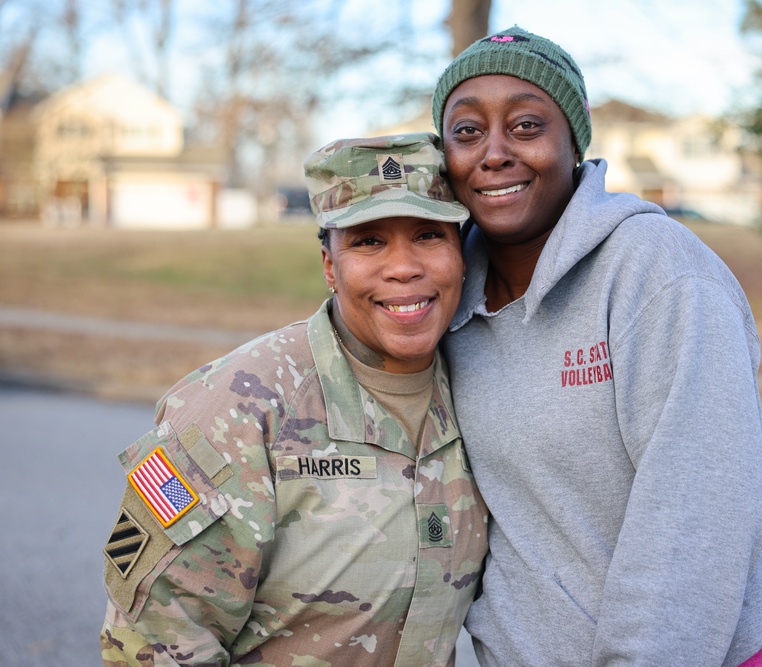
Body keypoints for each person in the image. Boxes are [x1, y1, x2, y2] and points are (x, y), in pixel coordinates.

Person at [432, 26, 762, 667]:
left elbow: (697, 525)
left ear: (574, 142)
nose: (493, 153)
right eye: (466, 131)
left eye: (526, 126)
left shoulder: (660, 275)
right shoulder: (446, 300)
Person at [99, 132, 488, 666]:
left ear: (461, 256)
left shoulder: (485, 390)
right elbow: (156, 642)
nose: (403, 267)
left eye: (428, 235)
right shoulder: (236, 408)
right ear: (330, 265)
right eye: (368, 241)